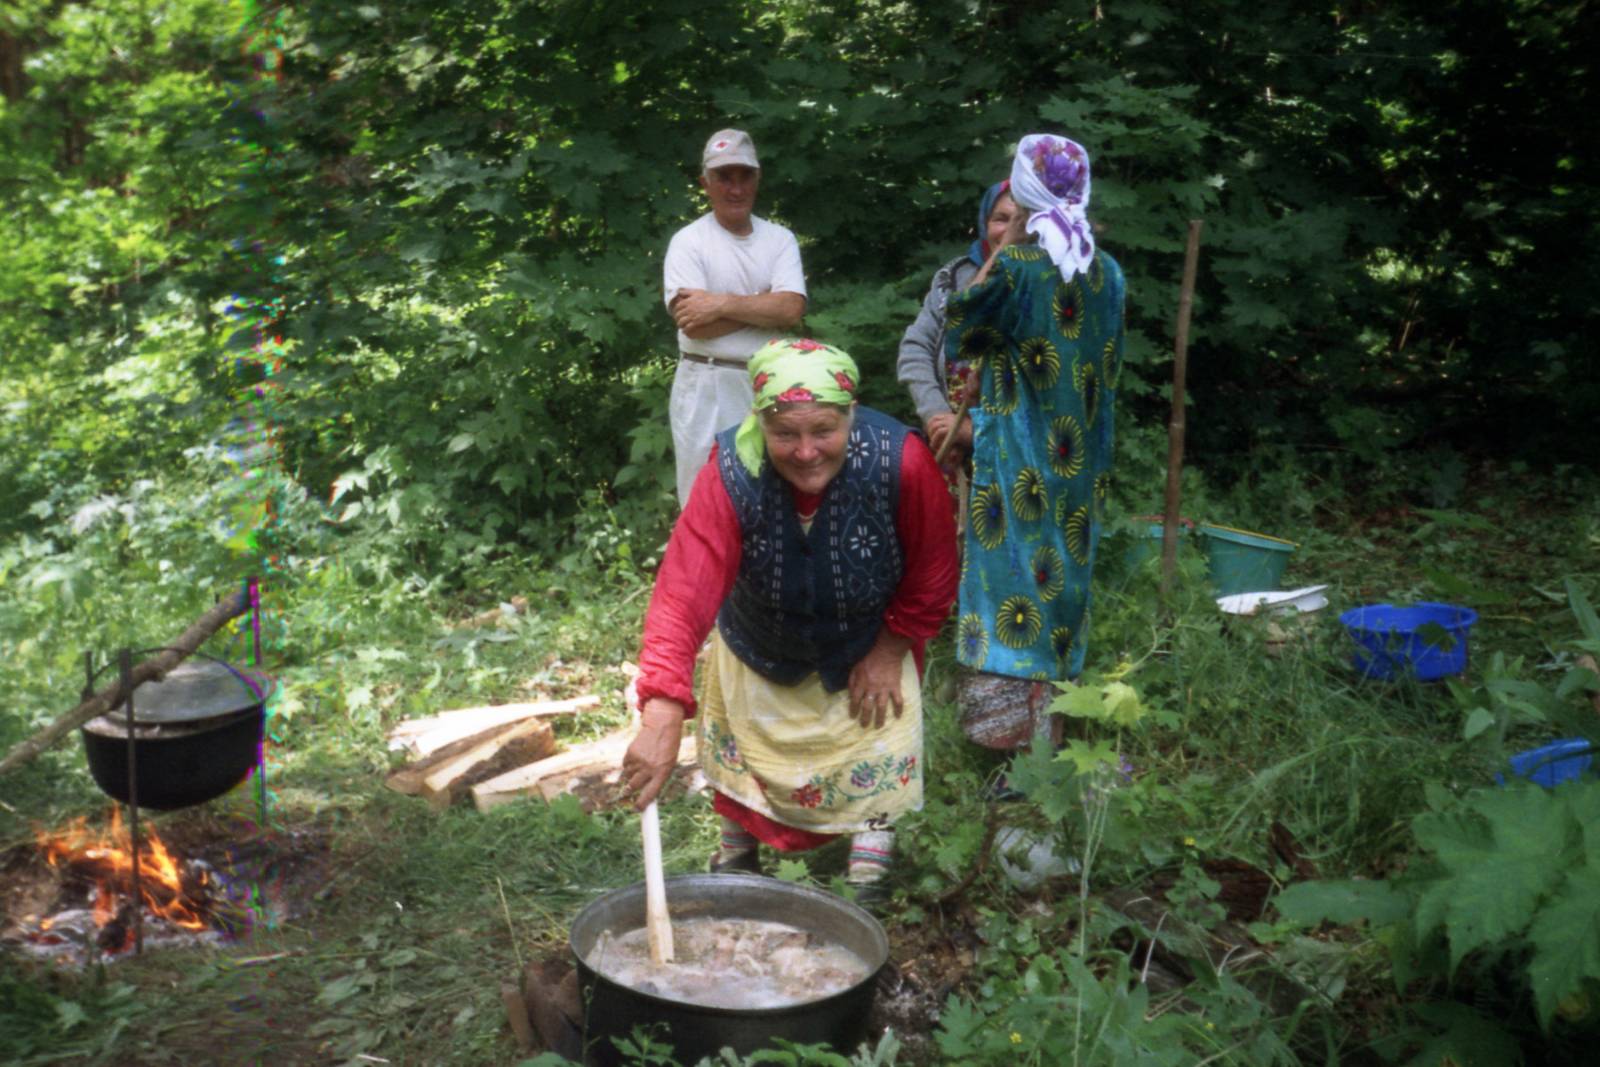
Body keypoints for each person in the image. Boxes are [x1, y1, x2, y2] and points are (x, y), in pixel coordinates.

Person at [622, 339, 959, 903]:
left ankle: (868, 882)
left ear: (851, 414)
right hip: (758, 639)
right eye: (785, 435)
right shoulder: (730, 468)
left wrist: (889, 649)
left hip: (867, 644)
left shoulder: (902, 460)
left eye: (823, 430)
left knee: (876, 739)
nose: (805, 452)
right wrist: (661, 710)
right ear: (759, 421)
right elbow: (685, 587)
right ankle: (737, 859)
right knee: (745, 753)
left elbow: (933, 568)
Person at [947, 134, 1125, 751]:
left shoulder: (1019, 272)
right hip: (1079, 461)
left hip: (1017, 457)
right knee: (1064, 577)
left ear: (1022, 195)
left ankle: (1007, 742)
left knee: (1009, 582)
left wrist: (1006, 246)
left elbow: (960, 335)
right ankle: (1056, 719)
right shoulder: (1109, 273)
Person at [663, 129, 809, 507]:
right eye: (724, 177)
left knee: (771, 498)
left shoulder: (779, 240)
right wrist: (764, 306)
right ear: (705, 183)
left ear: (757, 179)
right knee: (703, 498)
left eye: (745, 176)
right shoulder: (689, 242)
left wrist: (720, 303)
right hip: (705, 384)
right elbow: (695, 323)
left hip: (770, 385)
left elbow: (791, 309)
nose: (736, 188)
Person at [896, 181, 1019, 467]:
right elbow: (916, 348)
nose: (1011, 231)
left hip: (1017, 465)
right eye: (1001, 219)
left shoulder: (1053, 289)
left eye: (1021, 221)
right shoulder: (954, 277)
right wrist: (938, 420)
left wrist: (976, 431)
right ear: (985, 222)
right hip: (951, 450)